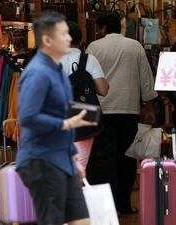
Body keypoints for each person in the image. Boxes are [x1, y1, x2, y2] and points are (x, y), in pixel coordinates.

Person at [16, 11, 94, 225]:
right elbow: (28, 116)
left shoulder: (57, 70)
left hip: (62, 159)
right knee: (52, 220)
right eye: (63, 34)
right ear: (48, 40)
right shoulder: (37, 72)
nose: (69, 39)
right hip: (41, 159)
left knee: (83, 220)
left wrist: (72, 158)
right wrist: (64, 124)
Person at [85, 12, 158, 214]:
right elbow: (146, 78)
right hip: (129, 109)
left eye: (99, 29)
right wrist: (149, 108)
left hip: (102, 110)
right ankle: (124, 204)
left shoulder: (94, 47)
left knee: (103, 160)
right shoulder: (134, 46)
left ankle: (106, 208)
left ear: (103, 29)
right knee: (127, 157)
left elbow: (88, 80)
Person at [60, 21, 109, 168]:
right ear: (81, 40)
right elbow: (103, 90)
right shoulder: (89, 60)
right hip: (83, 122)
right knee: (79, 168)